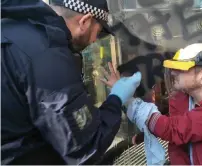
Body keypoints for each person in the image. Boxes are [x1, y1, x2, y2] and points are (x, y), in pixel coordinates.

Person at [1, 0, 141, 164]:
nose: (96, 40)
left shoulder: (13, 30)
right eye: (100, 31)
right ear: (85, 21)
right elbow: (86, 146)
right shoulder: (47, 54)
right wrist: (116, 99)